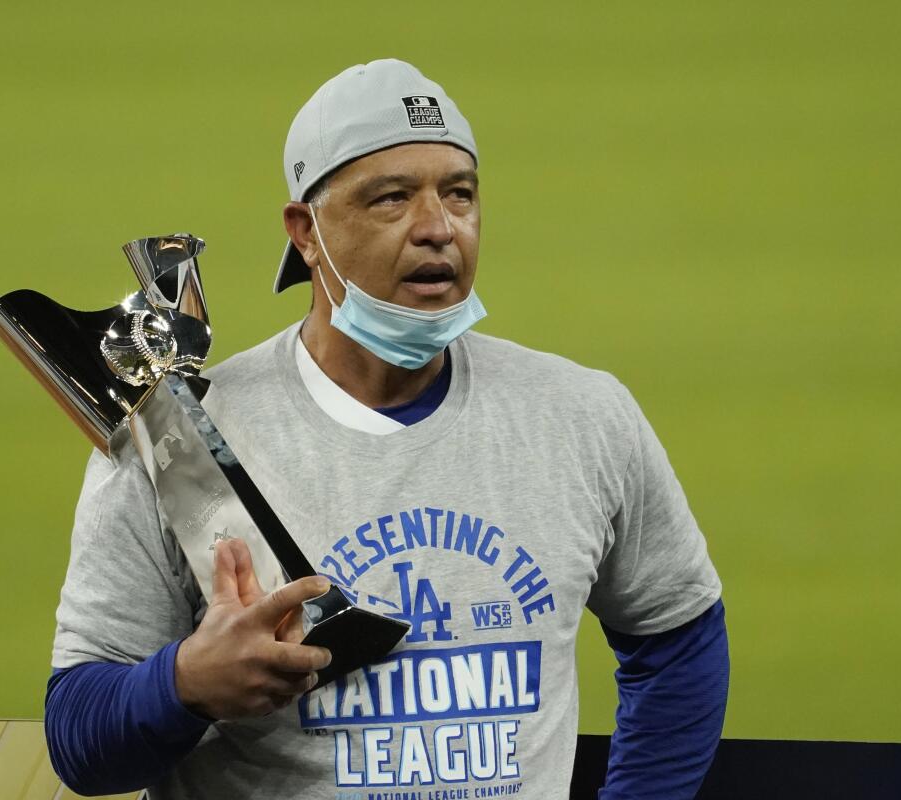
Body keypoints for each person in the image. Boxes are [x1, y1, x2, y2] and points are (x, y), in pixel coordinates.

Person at [44, 58, 729, 800]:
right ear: (306, 232)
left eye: (459, 195)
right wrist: (185, 686)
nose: (438, 228)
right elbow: (78, 738)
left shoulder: (581, 416)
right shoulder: (177, 437)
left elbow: (678, 639)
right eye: (391, 199)